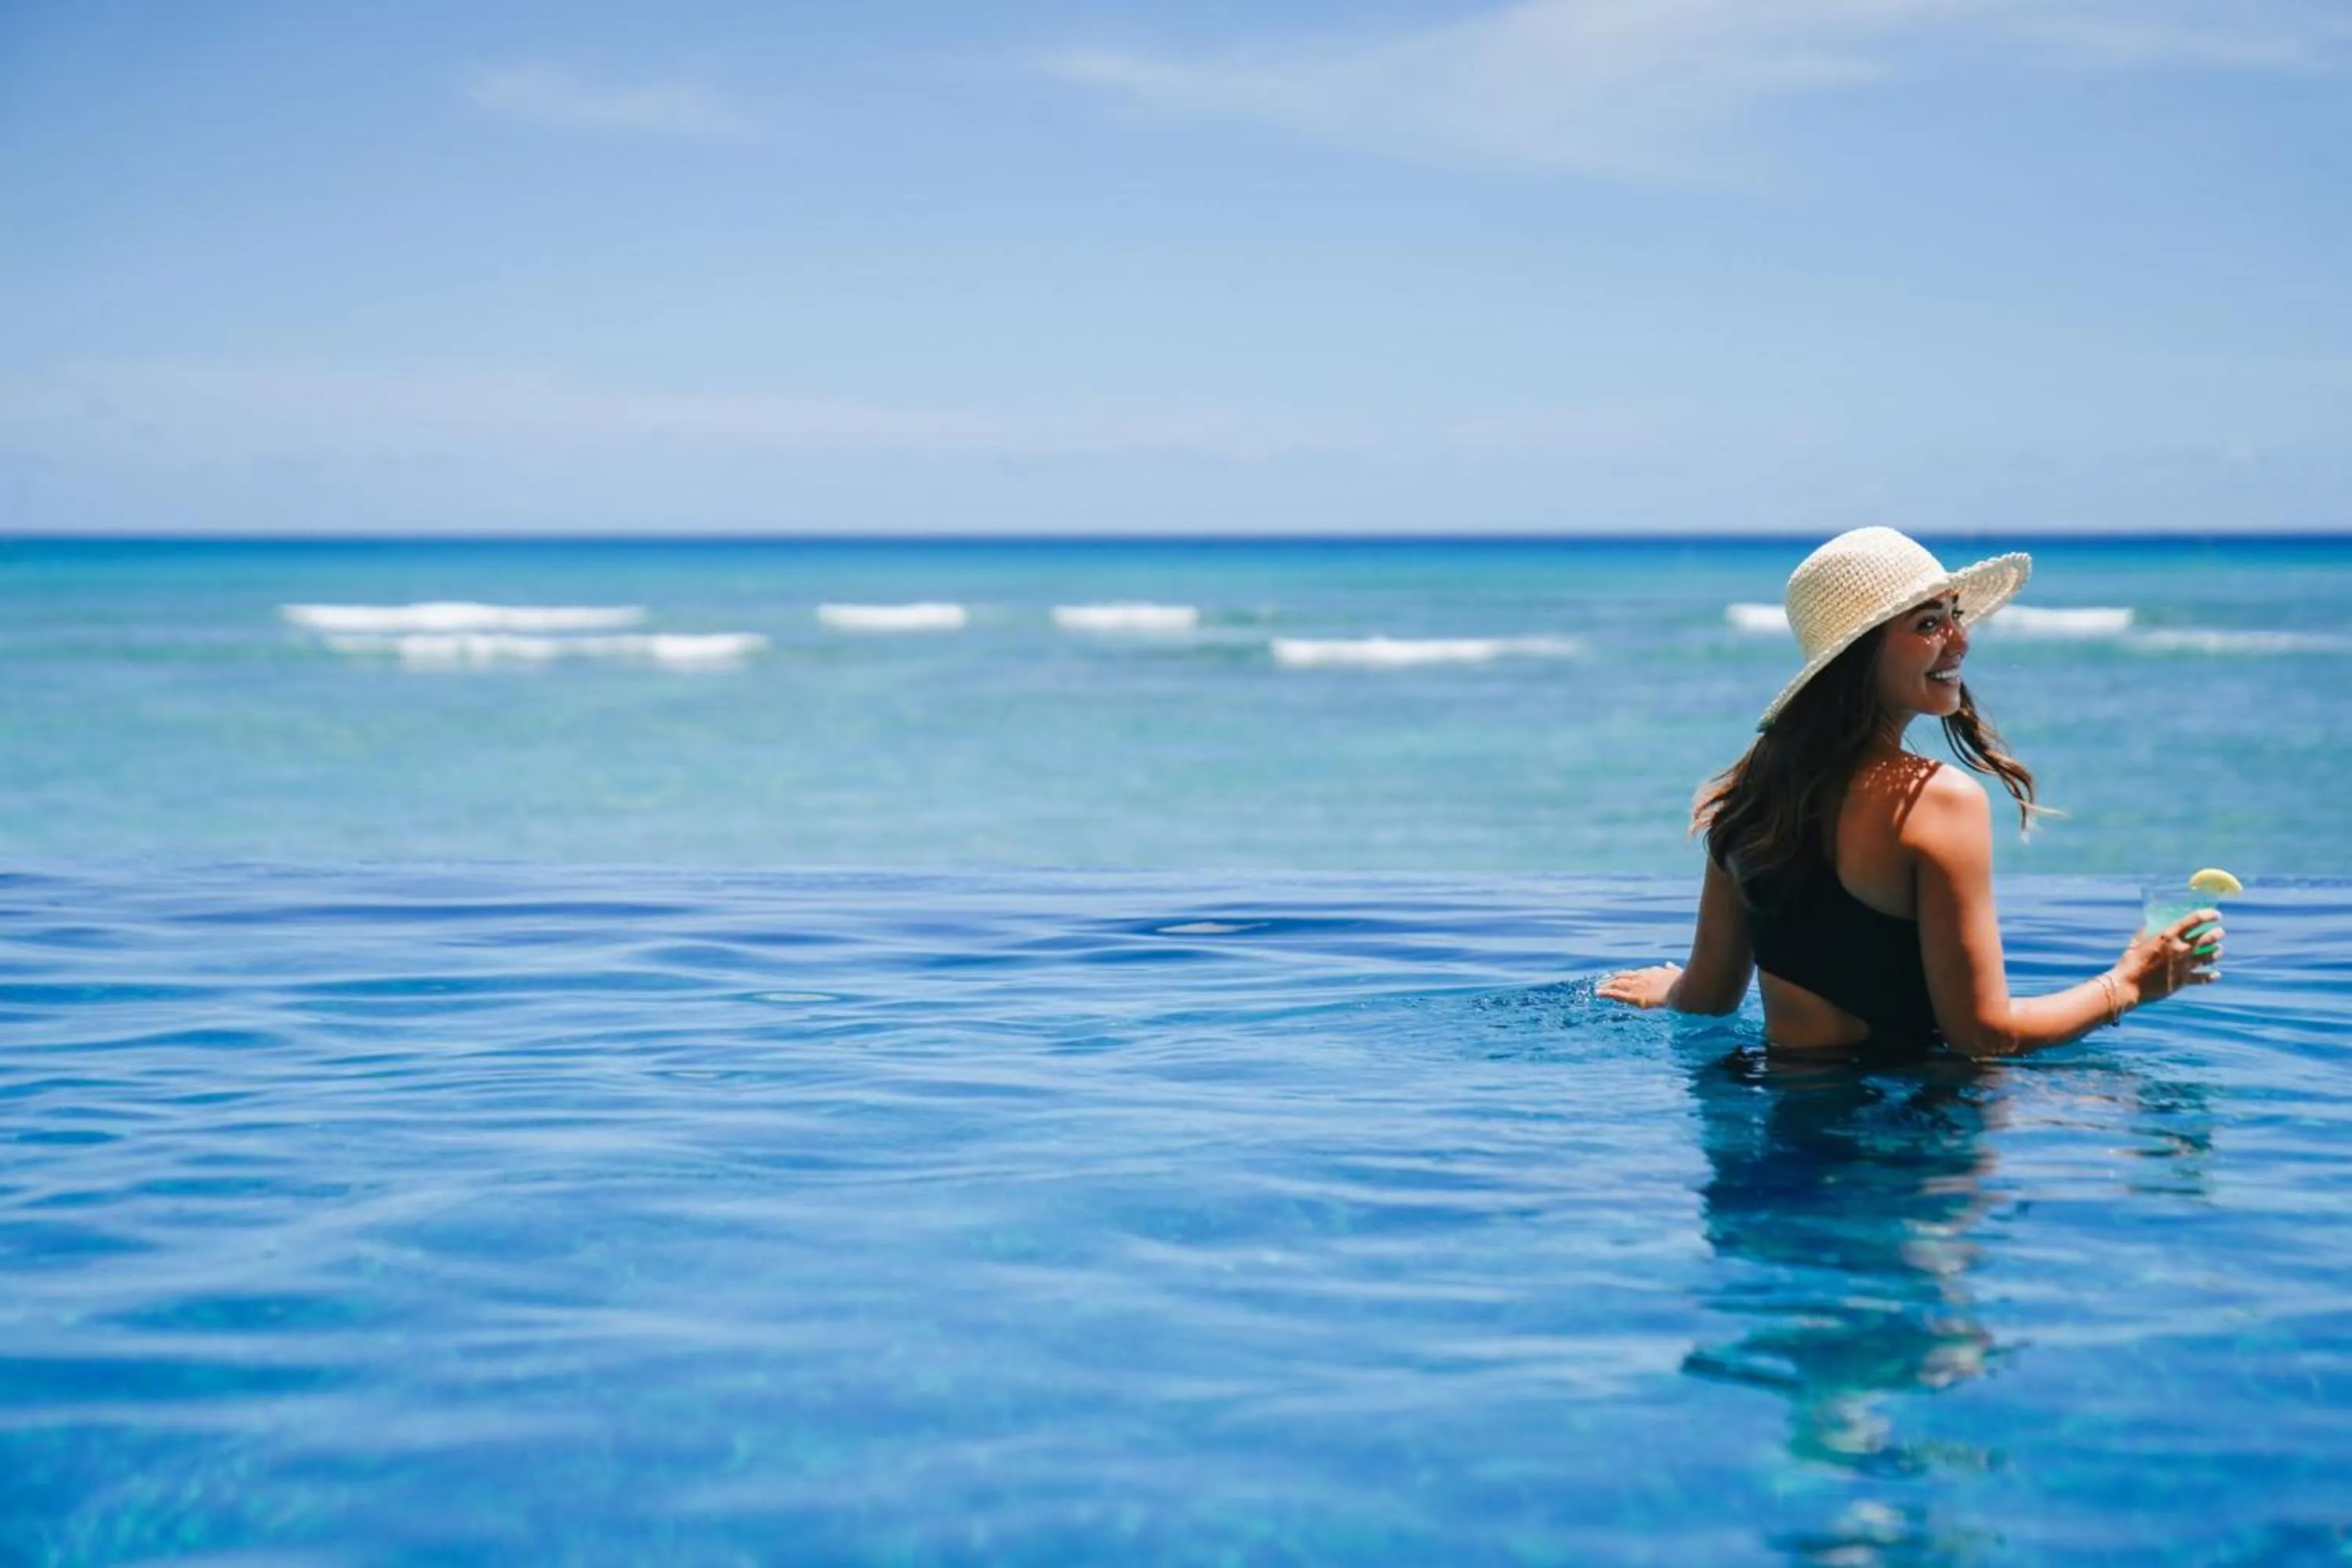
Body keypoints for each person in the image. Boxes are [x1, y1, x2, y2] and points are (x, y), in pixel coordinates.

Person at [1599, 526, 2223, 1054]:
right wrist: (2130, 984)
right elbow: (1983, 1035)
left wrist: (1668, 991)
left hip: (1772, 1135)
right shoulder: (1936, 802)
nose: (1960, 640)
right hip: (1904, 1140)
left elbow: (1707, 999)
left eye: (1954, 616)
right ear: (1857, 656)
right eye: (1929, 623)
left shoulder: (1754, 794)